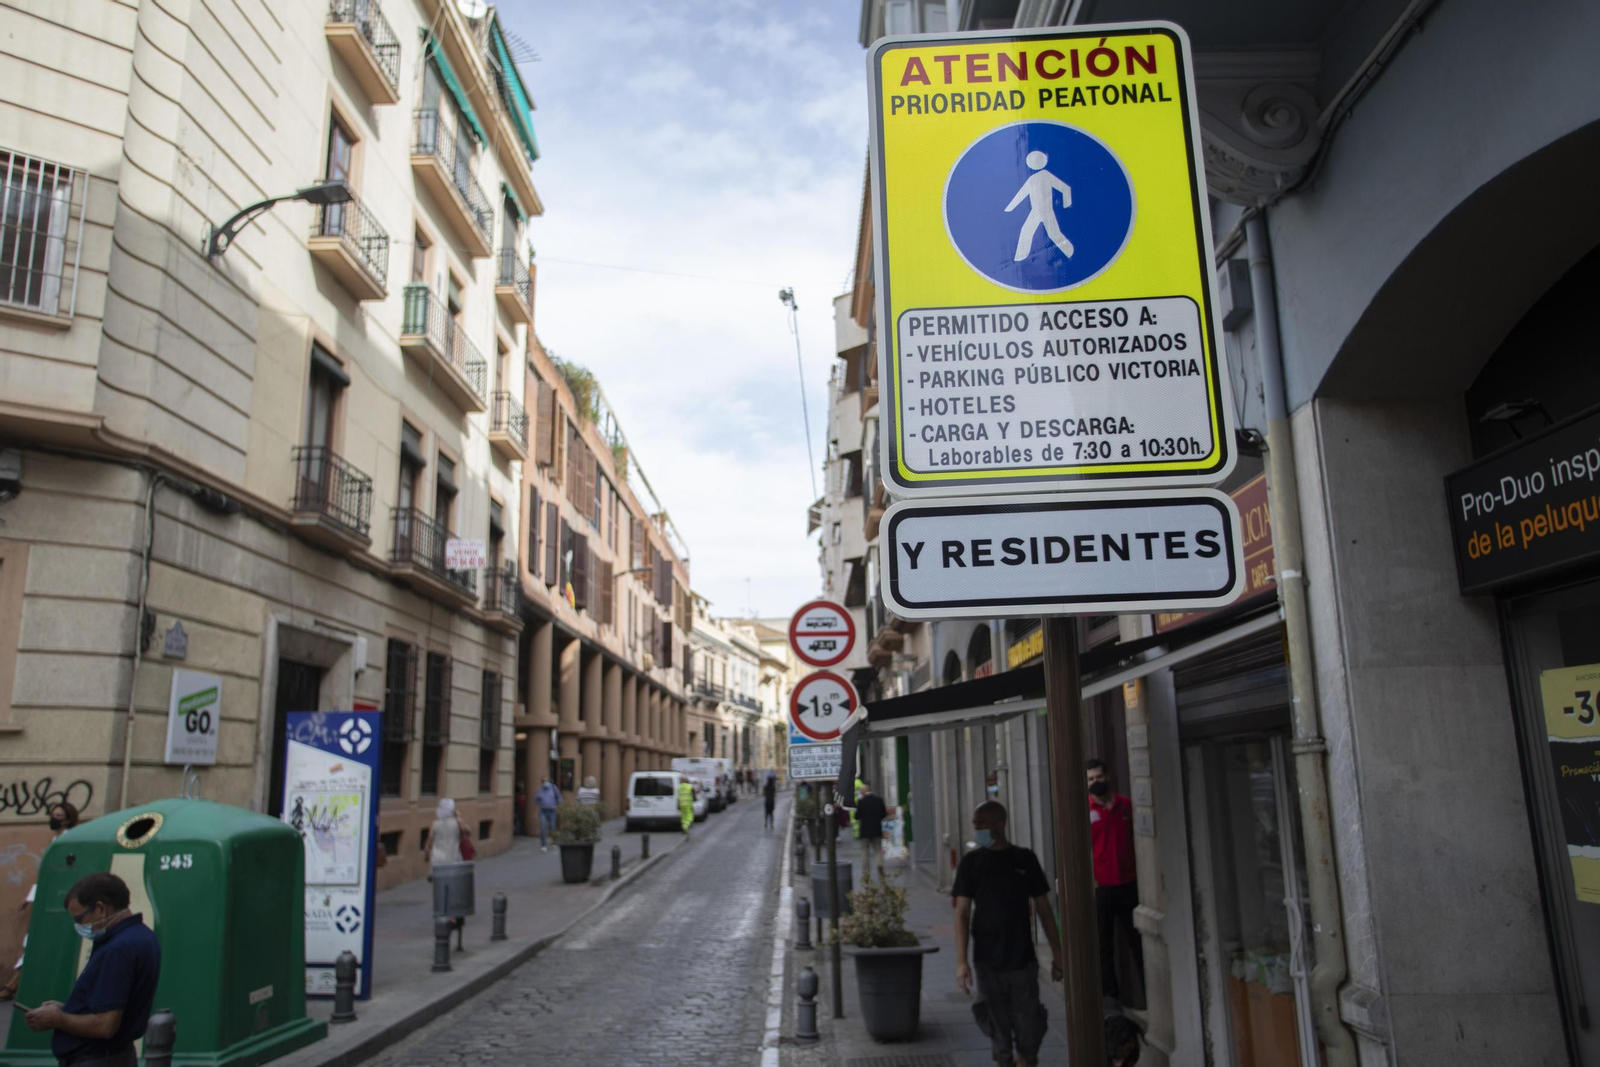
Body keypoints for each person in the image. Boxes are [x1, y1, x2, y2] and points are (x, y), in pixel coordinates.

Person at [953, 800, 1063, 1067]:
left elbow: (1044, 909)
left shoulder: (1024, 859)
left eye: (981, 823)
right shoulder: (971, 863)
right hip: (986, 959)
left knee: (1030, 1025)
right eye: (975, 823)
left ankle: (1026, 1058)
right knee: (997, 1029)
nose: (976, 828)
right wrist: (961, 961)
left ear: (998, 824)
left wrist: (1058, 953)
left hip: (1021, 957)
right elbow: (962, 913)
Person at [24, 872, 160, 1067]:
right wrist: (69, 1009)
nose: (79, 926)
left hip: (98, 1059)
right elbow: (110, 1003)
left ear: (100, 908)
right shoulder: (141, 935)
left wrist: (59, 1018)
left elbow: (105, 1025)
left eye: (79, 918)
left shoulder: (118, 949)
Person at [3, 801, 80, 1002]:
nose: (53, 819)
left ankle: (13, 985)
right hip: (49, 897)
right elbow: (46, 873)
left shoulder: (69, 841)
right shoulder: (57, 839)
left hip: (58, 900)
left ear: (68, 819)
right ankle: (14, 984)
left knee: (34, 941)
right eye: (53, 814)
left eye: (58, 816)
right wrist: (30, 897)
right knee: (32, 942)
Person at [1087, 758, 1142, 1006]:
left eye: (1098, 777)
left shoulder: (1126, 806)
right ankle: (1111, 1001)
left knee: (1138, 943)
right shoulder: (1084, 812)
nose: (1095, 782)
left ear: (1107, 777)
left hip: (1130, 885)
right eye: (1090, 779)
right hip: (1103, 890)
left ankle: (1146, 997)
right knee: (1103, 947)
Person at [852, 780, 892, 880]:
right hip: (877, 830)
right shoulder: (879, 800)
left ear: (863, 792)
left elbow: (857, 816)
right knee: (878, 850)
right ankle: (879, 865)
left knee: (865, 852)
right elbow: (883, 814)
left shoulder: (861, 802)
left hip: (865, 832)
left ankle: (866, 872)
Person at [533, 776, 561, 853]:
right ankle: (543, 845)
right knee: (543, 827)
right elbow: (536, 801)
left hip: (552, 810)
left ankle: (553, 842)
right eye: (544, 781)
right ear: (542, 782)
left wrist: (558, 807)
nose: (545, 783)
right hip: (543, 811)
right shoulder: (540, 790)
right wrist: (536, 811)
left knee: (552, 827)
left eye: (546, 781)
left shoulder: (554, 788)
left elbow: (559, 798)